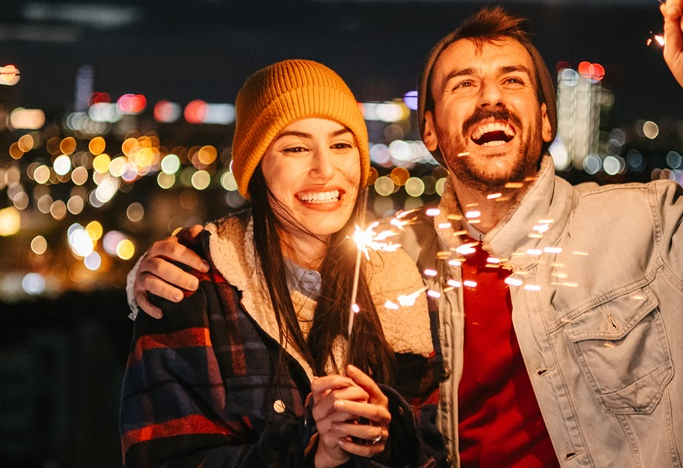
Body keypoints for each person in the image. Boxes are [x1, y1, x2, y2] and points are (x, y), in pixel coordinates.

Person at [126, 1, 683, 466]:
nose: (490, 96)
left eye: (511, 81)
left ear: (543, 118)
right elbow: (281, 275)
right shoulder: (390, 261)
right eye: (463, 84)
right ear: (432, 130)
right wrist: (173, 262)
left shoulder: (646, 226)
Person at [118, 59, 446, 468]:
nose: (325, 170)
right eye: (296, 148)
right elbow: (161, 457)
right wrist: (309, 453)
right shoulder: (191, 280)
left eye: (341, 145)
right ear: (256, 167)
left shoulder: (397, 283)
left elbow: (435, 450)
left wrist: (389, 441)